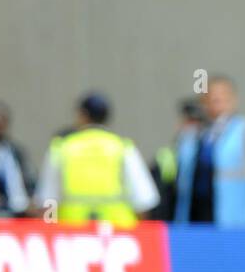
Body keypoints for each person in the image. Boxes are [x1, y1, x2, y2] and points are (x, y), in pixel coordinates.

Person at [34, 92, 159, 226]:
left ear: (83, 115)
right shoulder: (122, 148)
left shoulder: (62, 148)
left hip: (71, 233)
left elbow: (49, 198)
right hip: (117, 233)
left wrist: (49, 229)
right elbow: (143, 199)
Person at [173, 75, 245, 226]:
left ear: (233, 99)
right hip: (194, 215)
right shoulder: (192, 134)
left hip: (232, 215)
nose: (216, 100)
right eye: (211, 96)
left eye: (222, 96)